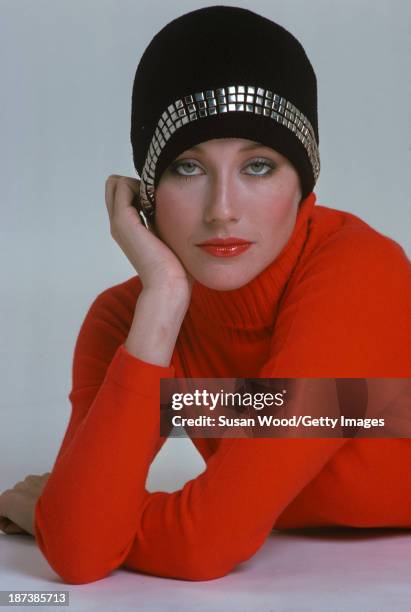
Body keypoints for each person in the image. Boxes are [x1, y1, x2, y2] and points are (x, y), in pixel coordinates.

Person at [1, 5, 410, 583]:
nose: (222, 210)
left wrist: (68, 514)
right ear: (146, 191)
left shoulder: (360, 275)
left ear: (304, 184)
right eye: (188, 168)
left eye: (260, 166)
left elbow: (204, 541)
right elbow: (80, 552)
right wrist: (164, 300)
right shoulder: (131, 319)